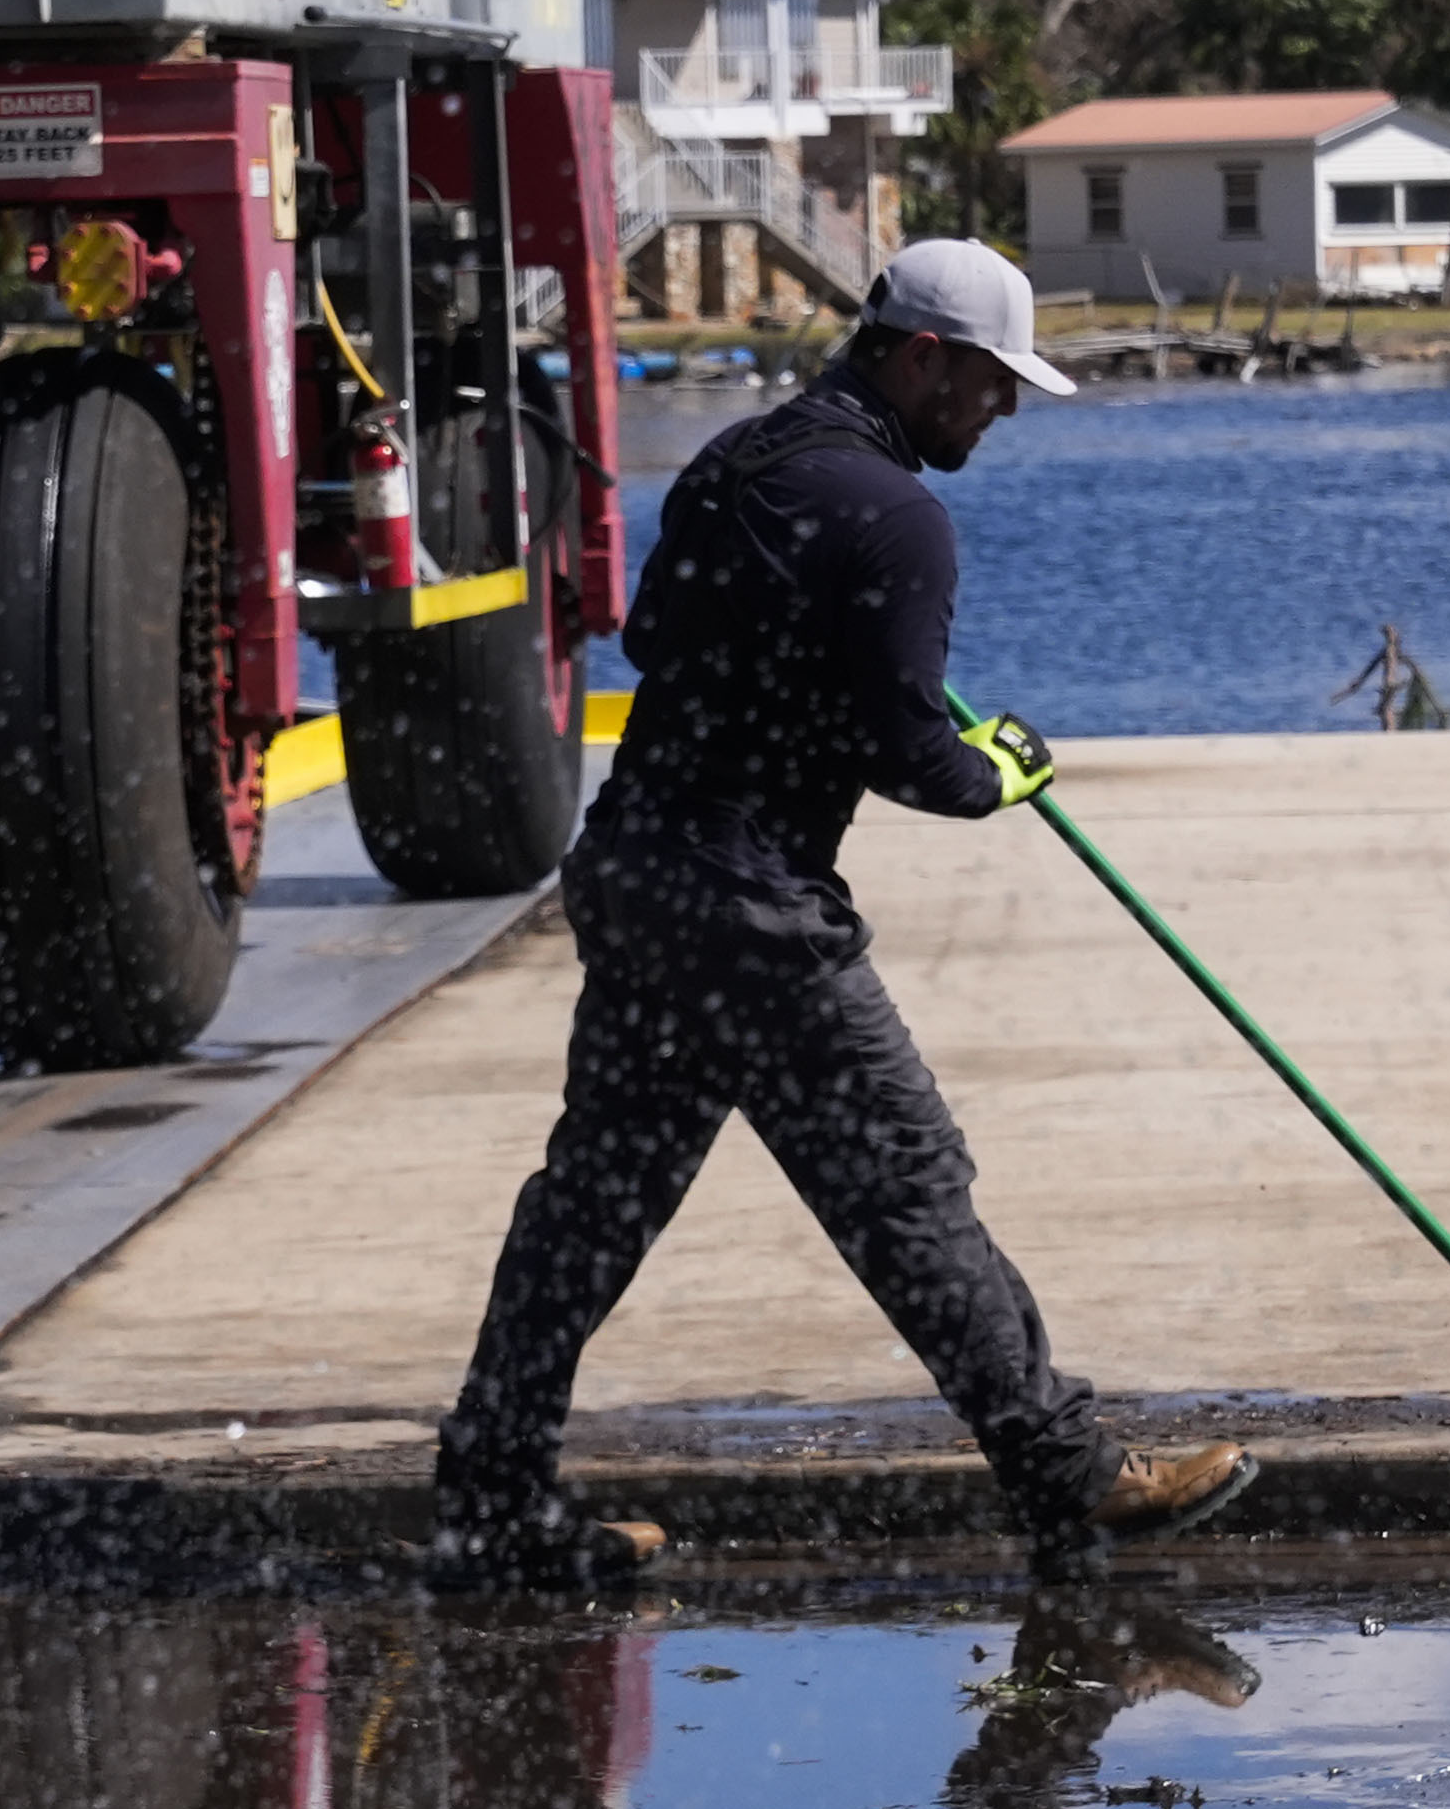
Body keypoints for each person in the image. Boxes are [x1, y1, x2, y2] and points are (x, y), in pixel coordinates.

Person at [432, 237, 1256, 1585]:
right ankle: (1067, 1477)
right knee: (904, 1183)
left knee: (590, 1203)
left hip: (637, 874)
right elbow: (919, 762)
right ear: (919, 355)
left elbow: (651, 642)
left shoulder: (733, 463)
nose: (997, 410)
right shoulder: (898, 515)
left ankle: (489, 1501)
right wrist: (1005, 766)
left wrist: (810, 675)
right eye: (988, 382)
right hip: (751, 910)